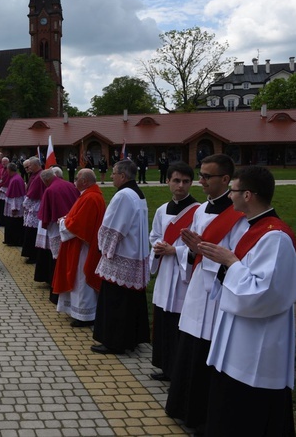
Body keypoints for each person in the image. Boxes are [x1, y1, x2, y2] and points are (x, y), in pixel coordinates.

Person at [197, 166, 296, 437]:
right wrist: (224, 262)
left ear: (249, 195)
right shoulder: (254, 229)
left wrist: (230, 262)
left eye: (234, 191)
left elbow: (264, 295)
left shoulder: (275, 237)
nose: (230, 196)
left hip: (259, 344)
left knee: (250, 410)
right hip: (240, 337)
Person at [165, 154, 248, 432]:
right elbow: (194, 250)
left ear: (225, 179)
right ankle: (182, 406)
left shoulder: (238, 217)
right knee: (190, 344)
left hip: (217, 290)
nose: (200, 181)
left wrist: (204, 251)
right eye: (200, 175)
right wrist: (192, 251)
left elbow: (237, 255)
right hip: (199, 284)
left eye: (206, 177)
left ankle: (202, 415)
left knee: (207, 348)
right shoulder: (201, 211)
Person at [91, 159, 150, 355]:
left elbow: (113, 228)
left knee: (116, 301)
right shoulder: (137, 194)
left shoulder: (123, 196)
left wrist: (105, 250)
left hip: (120, 255)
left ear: (123, 176)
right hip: (135, 254)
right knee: (129, 301)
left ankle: (114, 341)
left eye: (114, 173)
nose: (111, 176)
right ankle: (130, 339)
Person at [147, 162, 199, 381]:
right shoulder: (161, 210)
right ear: (167, 181)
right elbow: (154, 235)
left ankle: (179, 371)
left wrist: (175, 250)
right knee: (164, 321)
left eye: (186, 181)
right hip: (166, 272)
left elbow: (199, 244)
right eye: (176, 181)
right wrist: (158, 247)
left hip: (183, 275)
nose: (181, 186)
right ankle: (166, 366)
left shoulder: (199, 211)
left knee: (179, 322)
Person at [54, 168, 104, 326]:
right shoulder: (88, 195)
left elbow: (79, 225)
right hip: (79, 244)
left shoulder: (90, 198)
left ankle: (85, 315)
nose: (75, 180)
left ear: (85, 181)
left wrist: (63, 222)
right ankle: (75, 310)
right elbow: (76, 217)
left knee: (82, 279)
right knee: (77, 279)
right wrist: (67, 218)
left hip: (83, 247)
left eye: (77, 178)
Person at [34, 167, 79, 288]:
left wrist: (44, 224)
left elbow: (47, 214)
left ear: (46, 179)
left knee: (57, 256)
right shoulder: (69, 184)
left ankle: (56, 283)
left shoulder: (50, 190)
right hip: (72, 223)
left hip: (57, 226)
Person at [20, 157, 44, 264]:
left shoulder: (39, 176)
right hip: (33, 206)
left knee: (32, 232)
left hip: (35, 206)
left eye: (30, 165)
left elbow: (33, 193)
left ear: (36, 165)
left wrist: (25, 204)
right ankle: (30, 254)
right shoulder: (34, 175)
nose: (28, 168)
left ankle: (33, 255)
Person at [2, 163, 25, 246]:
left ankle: (13, 241)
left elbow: (16, 195)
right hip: (12, 204)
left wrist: (14, 207)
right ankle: (10, 240)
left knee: (13, 224)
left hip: (14, 206)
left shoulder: (15, 180)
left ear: (9, 170)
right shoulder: (16, 177)